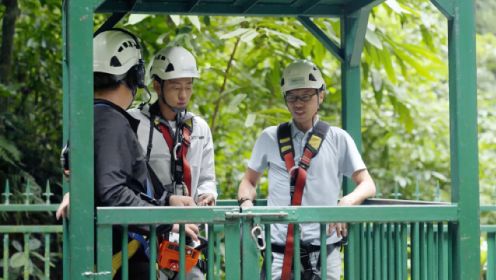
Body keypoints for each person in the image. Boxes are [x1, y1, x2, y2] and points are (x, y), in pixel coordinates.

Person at [57, 29, 198, 279]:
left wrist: (166, 201)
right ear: (136, 75)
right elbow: (112, 192)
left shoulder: (93, 115)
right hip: (121, 259)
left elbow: (114, 183)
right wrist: (166, 220)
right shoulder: (110, 120)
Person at [237, 60, 376, 280]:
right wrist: (246, 203)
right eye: (292, 96)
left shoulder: (338, 139)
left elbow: (367, 184)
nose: (298, 103)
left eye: (306, 96)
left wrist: (346, 203)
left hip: (323, 250)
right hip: (279, 251)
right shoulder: (270, 137)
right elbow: (248, 181)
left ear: (321, 96)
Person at [128, 46, 217, 279]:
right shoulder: (135, 122)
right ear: (157, 85)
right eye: (176, 87)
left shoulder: (199, 128)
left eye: (188, 86)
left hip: (189, 233)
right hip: (148, 231)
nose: (183, 94)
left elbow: (207, 177)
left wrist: (207, 194)